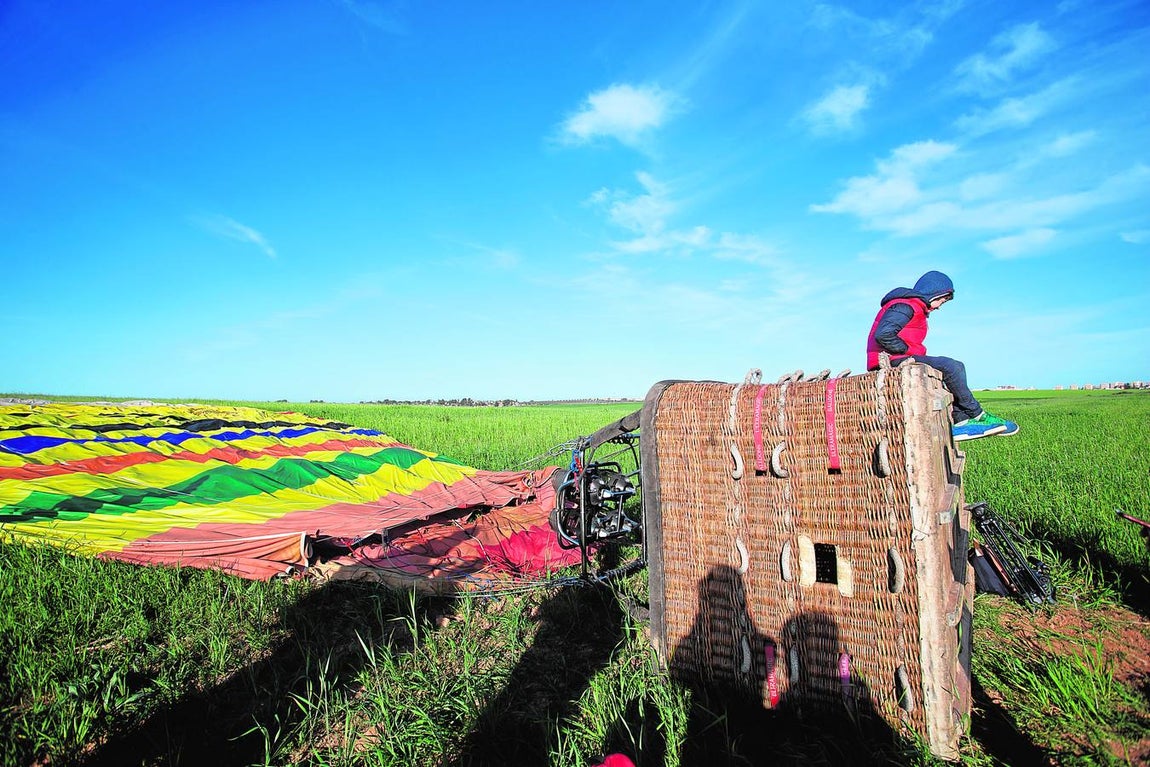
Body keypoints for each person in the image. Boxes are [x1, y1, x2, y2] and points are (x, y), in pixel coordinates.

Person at [866, 270, 1018, 441]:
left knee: (956, 366)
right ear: (932, 292)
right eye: (940, 300)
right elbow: (884, 334)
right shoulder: (905, 306)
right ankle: (977, 414)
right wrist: (906, 350)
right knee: (950, 366)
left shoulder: (913, 307)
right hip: (890, 361)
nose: (939, 306)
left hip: (898, 357)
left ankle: (961, 420)